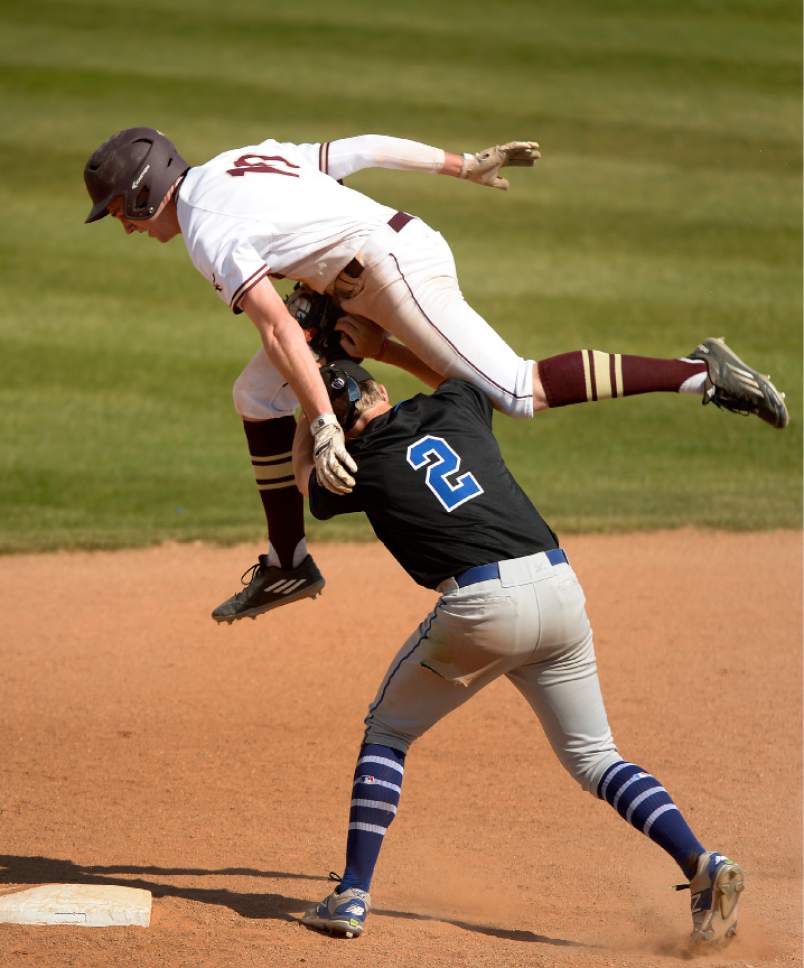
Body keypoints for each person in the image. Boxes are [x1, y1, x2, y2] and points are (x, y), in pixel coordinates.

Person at [82, 128, 789, 624]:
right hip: (363, 274)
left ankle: (699, 374)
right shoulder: (240, 161)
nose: (122, 226)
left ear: (143, 193)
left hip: (392, 270)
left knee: (514, 389)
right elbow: (355, 150)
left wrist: (325, 422)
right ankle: (288, 559)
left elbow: (274, 324)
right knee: (256, 395)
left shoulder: (207, 230)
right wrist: (462, 163)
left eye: (118, 210)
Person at [291, 357, 744, 945]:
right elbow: (451, 362)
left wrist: (311, 415)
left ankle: (351, 894)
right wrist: (382, 341)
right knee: (596, 758)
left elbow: (305, 478)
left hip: (480, 609)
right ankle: (700, 862)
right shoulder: (456, 405)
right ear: (379, 388)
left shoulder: (354, 463)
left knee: (388, 732)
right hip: (558, 590)